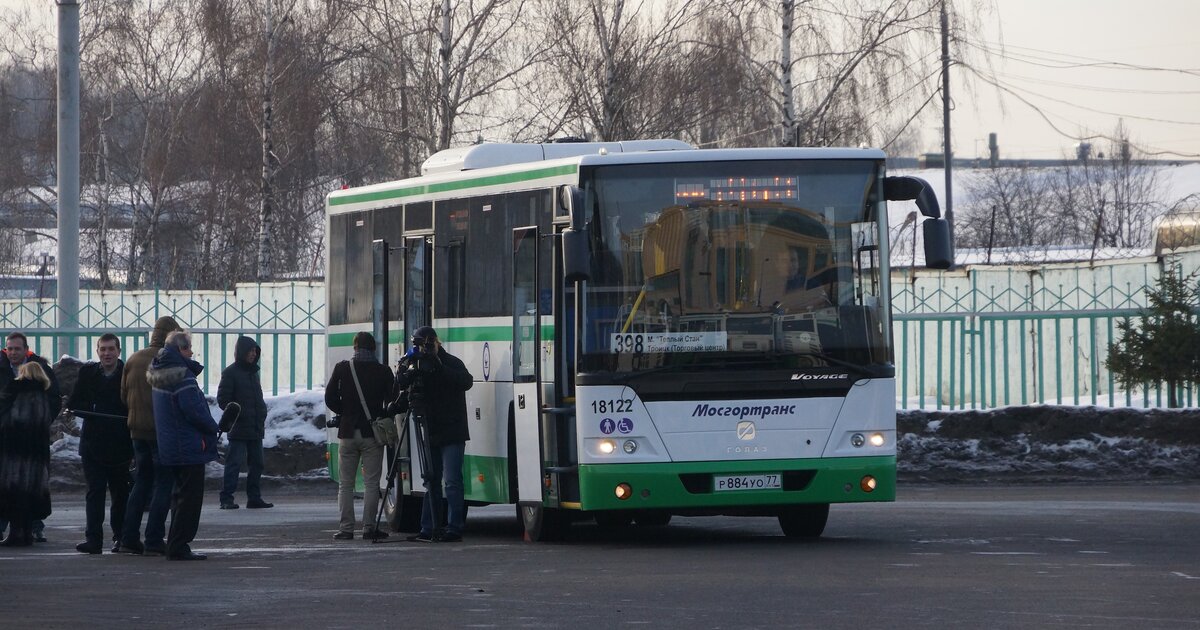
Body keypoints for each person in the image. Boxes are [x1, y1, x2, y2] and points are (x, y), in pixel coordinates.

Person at [395, 326, 473, 543]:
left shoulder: (451, 362)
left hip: (453, 430)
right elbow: (403, 385)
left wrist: (439, 366)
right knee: (431, 480)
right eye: (419, 345)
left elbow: (467, 381)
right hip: (430, 429)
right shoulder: (416, 364)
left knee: (452, 481)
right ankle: (429, 528)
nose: (424, 349)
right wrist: (404, 368)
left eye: (428, 344)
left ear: (437, 342)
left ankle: (454, 528)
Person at [147, 330, 218, 561]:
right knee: (189, 499)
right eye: (188, 348)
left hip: (171, 445)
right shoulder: (182, 376)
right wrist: (213, 427)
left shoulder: (160, 371)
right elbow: (194, 410)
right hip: (187, 446)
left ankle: (176, 543)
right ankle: (179, 545)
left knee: (178, 497)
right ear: (179, 350)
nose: (192, 352)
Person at [117, 316, 181, 556]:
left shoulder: (133, 359)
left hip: (136, 431)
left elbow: (123, 397)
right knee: (164, 483)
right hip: (161, 433)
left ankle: (128, 538)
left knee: (141, 482)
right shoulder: (167, 360)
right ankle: (154, 539)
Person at [324, 332, 394, 541]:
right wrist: (379, 414)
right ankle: (369, 528)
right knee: (371, 484)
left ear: (355, 348)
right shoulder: (383, 371)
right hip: (372, 434)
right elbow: (392, 400)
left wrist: (344, 412)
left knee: (345, 484)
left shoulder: (343, 368)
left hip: (347, 433)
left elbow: (329, 397)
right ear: (374, 348)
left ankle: (346, 529)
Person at [69, 334, 133, 554]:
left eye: (111, 349)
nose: (107, 353)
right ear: (97, 351)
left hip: (120, 443)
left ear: (119, 351)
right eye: (103, 349)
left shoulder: (127, 372)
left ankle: (120, 537)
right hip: (93, 443)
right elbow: (74, 402)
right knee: (94, 492)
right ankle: (93, 538)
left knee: (120, 493)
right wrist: (92, 408)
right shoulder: (88, 373)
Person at [0, 331, 61, 543]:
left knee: (20, 486)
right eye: (10, 348)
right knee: (17, 486)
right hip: (9, 442)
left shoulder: (40, 369)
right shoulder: (2, 369)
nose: (13, 352)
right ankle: (15, 529)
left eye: (17, 349)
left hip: (25, 442)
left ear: (26, 350)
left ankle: (28, 529)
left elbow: (55, 400)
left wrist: (40, 422)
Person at [217, 335, 273, 510]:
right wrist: (235, 413)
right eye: (250, 351)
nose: (253, 354)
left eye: (255, 351)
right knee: (234, 463)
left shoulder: (252, 373)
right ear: (242, 352)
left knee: (257, 464)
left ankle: (254, 498)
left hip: (255, 426)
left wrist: (261, 412)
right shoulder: (230, 373)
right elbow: (223, 400)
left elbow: (257, 397)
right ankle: (226, 498)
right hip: (239, 427)